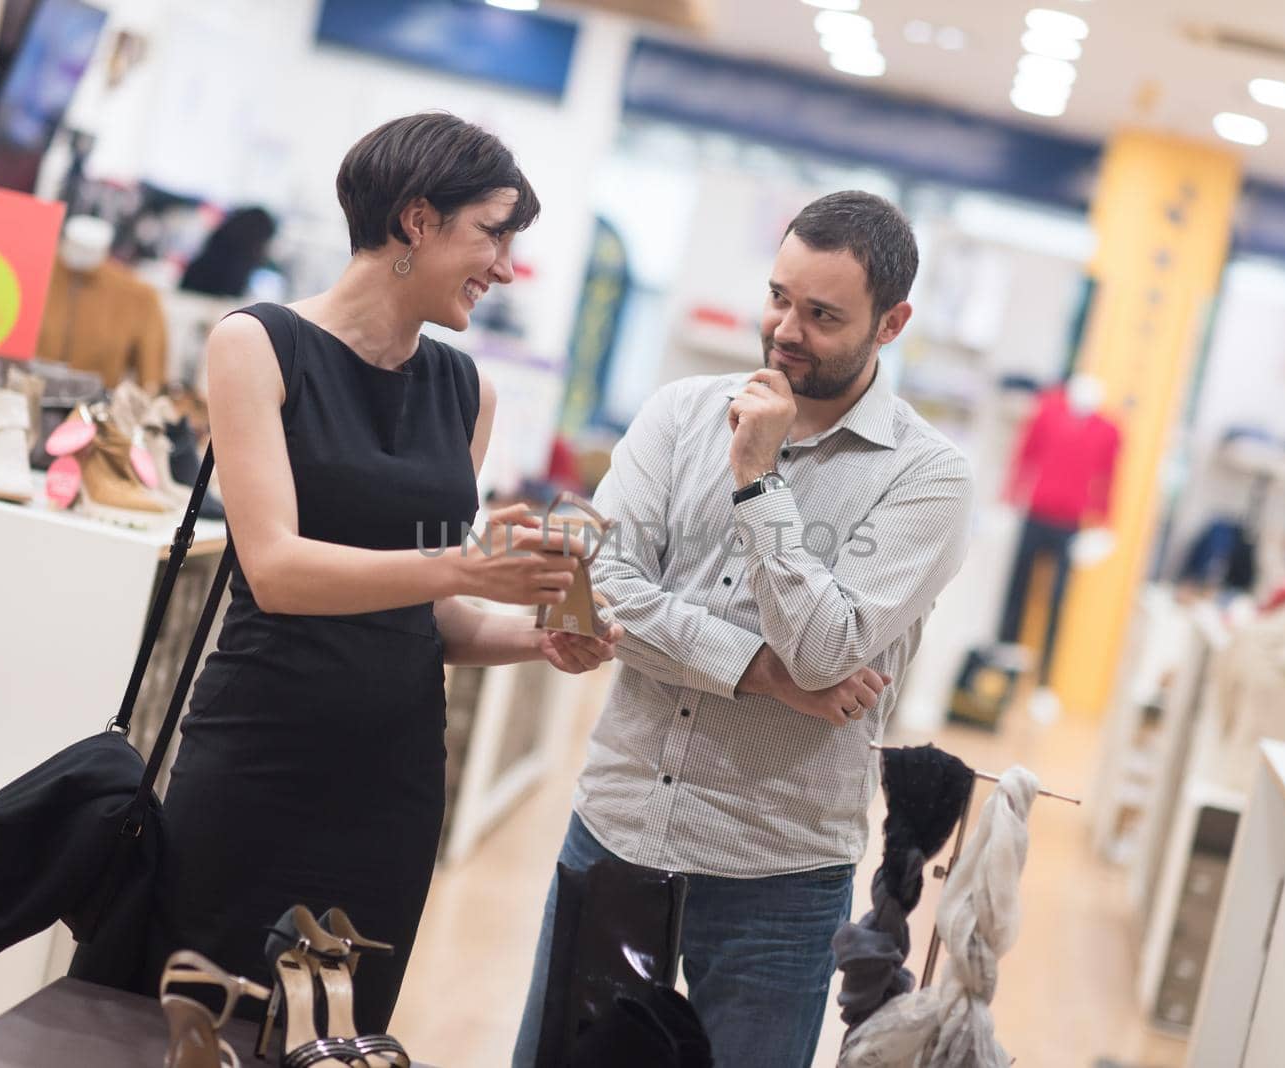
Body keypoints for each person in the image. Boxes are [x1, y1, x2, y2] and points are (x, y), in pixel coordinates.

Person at [151, 113, 622, 1036]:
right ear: (415, 220)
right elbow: (278, 570)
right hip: (256, 759)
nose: (505, 268)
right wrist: (467, 564)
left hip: (391, 785)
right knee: (183, 1027)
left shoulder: (465, 391)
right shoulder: (258, 344)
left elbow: (427, 616)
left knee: (336, 1039)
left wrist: (537, 635)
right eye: (491, 234)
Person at [512, 191, 975, 1066]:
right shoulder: (681, 411)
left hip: (779, 876)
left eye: (822, 314)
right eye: (779, 298)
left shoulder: (931, 480)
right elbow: (601, 585)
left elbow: (828, 649)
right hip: (618, 828)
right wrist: (761, 675)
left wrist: (760, 477)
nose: (786, 329)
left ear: (892, 323)